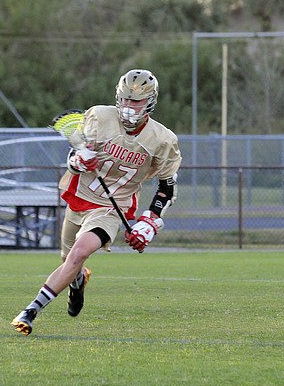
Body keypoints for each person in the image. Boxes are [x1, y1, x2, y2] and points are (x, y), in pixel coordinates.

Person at [10, 69, 182, 335]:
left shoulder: (162, 140)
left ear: (149, 102)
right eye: (124, 99)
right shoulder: (100, 117)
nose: (128, 107)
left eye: (135, 101)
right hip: (80, 199)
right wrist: (79, 160)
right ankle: (77, 282)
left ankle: (31, 311)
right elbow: (73, 158)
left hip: (113, 208)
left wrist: (149, 223)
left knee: (79, 253)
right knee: (69, 260)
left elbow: (166, 188)